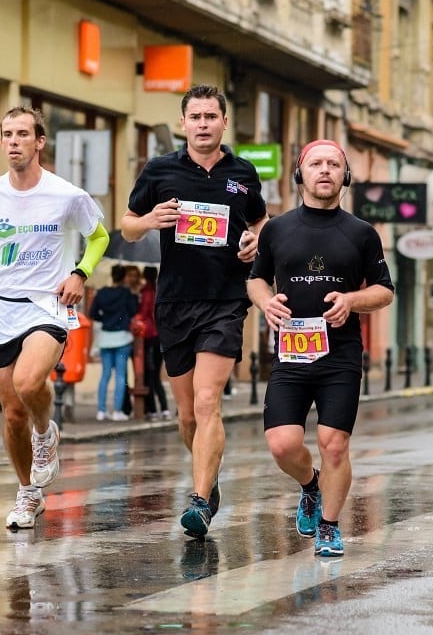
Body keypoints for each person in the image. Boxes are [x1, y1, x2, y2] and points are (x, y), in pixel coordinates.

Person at [0, 106, 109, 530]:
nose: (13, 141)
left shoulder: (66, 194)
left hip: (47, 304)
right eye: (7, 134)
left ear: (39, 142)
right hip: (2, 308)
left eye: (22, 134)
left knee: (28, 382)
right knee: (11, 413)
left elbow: (99, 236)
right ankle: (28, 493)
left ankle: (45, 432)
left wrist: (80, 273)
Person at [122, 84, 268, 538]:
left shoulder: (243, 173)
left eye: (211, 116)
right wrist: (148, 221)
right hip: (174, 301)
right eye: (196, 117)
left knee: (208, 402)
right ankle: (210, 474)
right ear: (184, 123)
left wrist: (255, 241)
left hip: (225, 301)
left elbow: (260, 221)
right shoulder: (160, 170)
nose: (204, 124)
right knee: (187, 415)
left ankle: (200, 502)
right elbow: (126, 226)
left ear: (224, 122)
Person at [246, 139, 394, 557]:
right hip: (291, 355)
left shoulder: (362, 234)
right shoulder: (276, 228)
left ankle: (329, 526)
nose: (324, 170)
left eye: (333, 164)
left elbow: (385, 291)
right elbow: (256, 279)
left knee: (334, 443)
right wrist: (264, 301)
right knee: (282, 444)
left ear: (345, 177)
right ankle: (310, 486)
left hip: (340, 355)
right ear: (301, 174)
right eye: (316, 164)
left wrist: (351, 300)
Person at [89, 264, 138, 421]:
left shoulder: (102, 293)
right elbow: (134, 310)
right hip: (122, 337)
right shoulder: (126, 293)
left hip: (105, 337)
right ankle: (117, 412)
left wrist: (105, 319)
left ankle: (101, 411)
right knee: (121, 376)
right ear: (124, 277)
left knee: (105, 375)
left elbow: (92, 313)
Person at [139, 265, 169, 419]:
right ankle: (164, 408)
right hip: (161, 336)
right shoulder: (161, 290)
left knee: (149, 375)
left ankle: (151, 409)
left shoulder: (146, 292)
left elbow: (144, 313)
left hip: (149, 336)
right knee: (156, 374)